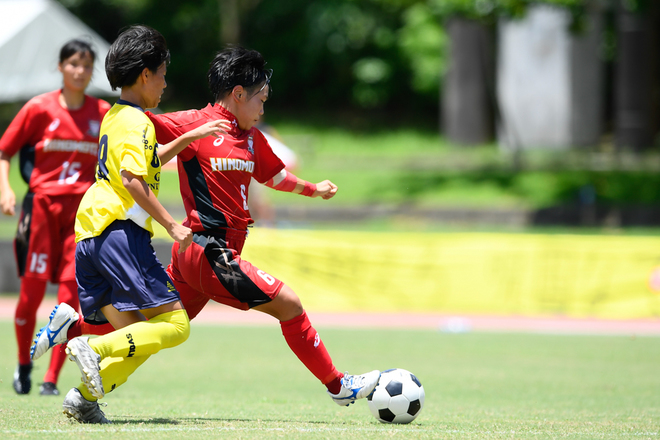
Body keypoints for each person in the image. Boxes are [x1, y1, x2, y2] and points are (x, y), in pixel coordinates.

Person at [33, 46, 380, 409]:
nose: (264, 108)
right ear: (239, 94)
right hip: (207, 251)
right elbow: (139, 123)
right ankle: (339, 385)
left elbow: (276, 176)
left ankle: (79, 379)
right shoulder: (194, 121)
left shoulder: (252, 137)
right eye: (261, 99)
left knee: (152, 333)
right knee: (289, 304)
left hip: (199, 260)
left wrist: (315, 189)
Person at [56, 25, 229, 424]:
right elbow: (134, 181)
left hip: (91, 237)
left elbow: (143, 163)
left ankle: (82, 399)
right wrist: (172, 225)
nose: (166, 83)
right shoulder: (139, 123)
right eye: (163, 74)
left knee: (139, 340)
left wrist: (193, 134)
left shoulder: (117, 117)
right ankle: (90, 349)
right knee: (177, 324)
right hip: (120, 233)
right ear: (145, 74)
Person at [0, 39, 111, 396]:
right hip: (42, 212)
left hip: (82, 217)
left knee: (69, 298)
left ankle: (51, 378)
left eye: (86, 65)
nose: (79, 71)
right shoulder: (38, 108)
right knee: (31, 296)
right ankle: (23, 364)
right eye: (73, 64)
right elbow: (4, 151)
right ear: (61, 67)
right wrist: (6, 190)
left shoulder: (103, 111)